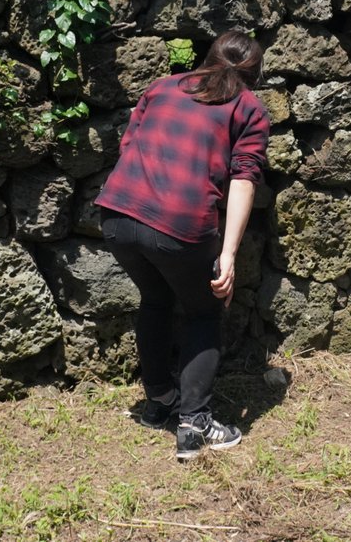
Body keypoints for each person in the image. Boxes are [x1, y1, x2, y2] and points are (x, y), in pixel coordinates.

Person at [95, 29, 271, 461]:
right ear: (255, 73)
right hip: (178, 225)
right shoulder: (248, 107)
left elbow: (129, 145)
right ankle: (194, 422)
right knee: (203, 309)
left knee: (154, 299)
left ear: (208, 56)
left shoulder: (162, 87)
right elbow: (243, 179)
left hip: (117, 213)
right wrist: (227, 255)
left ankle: (159, 403)